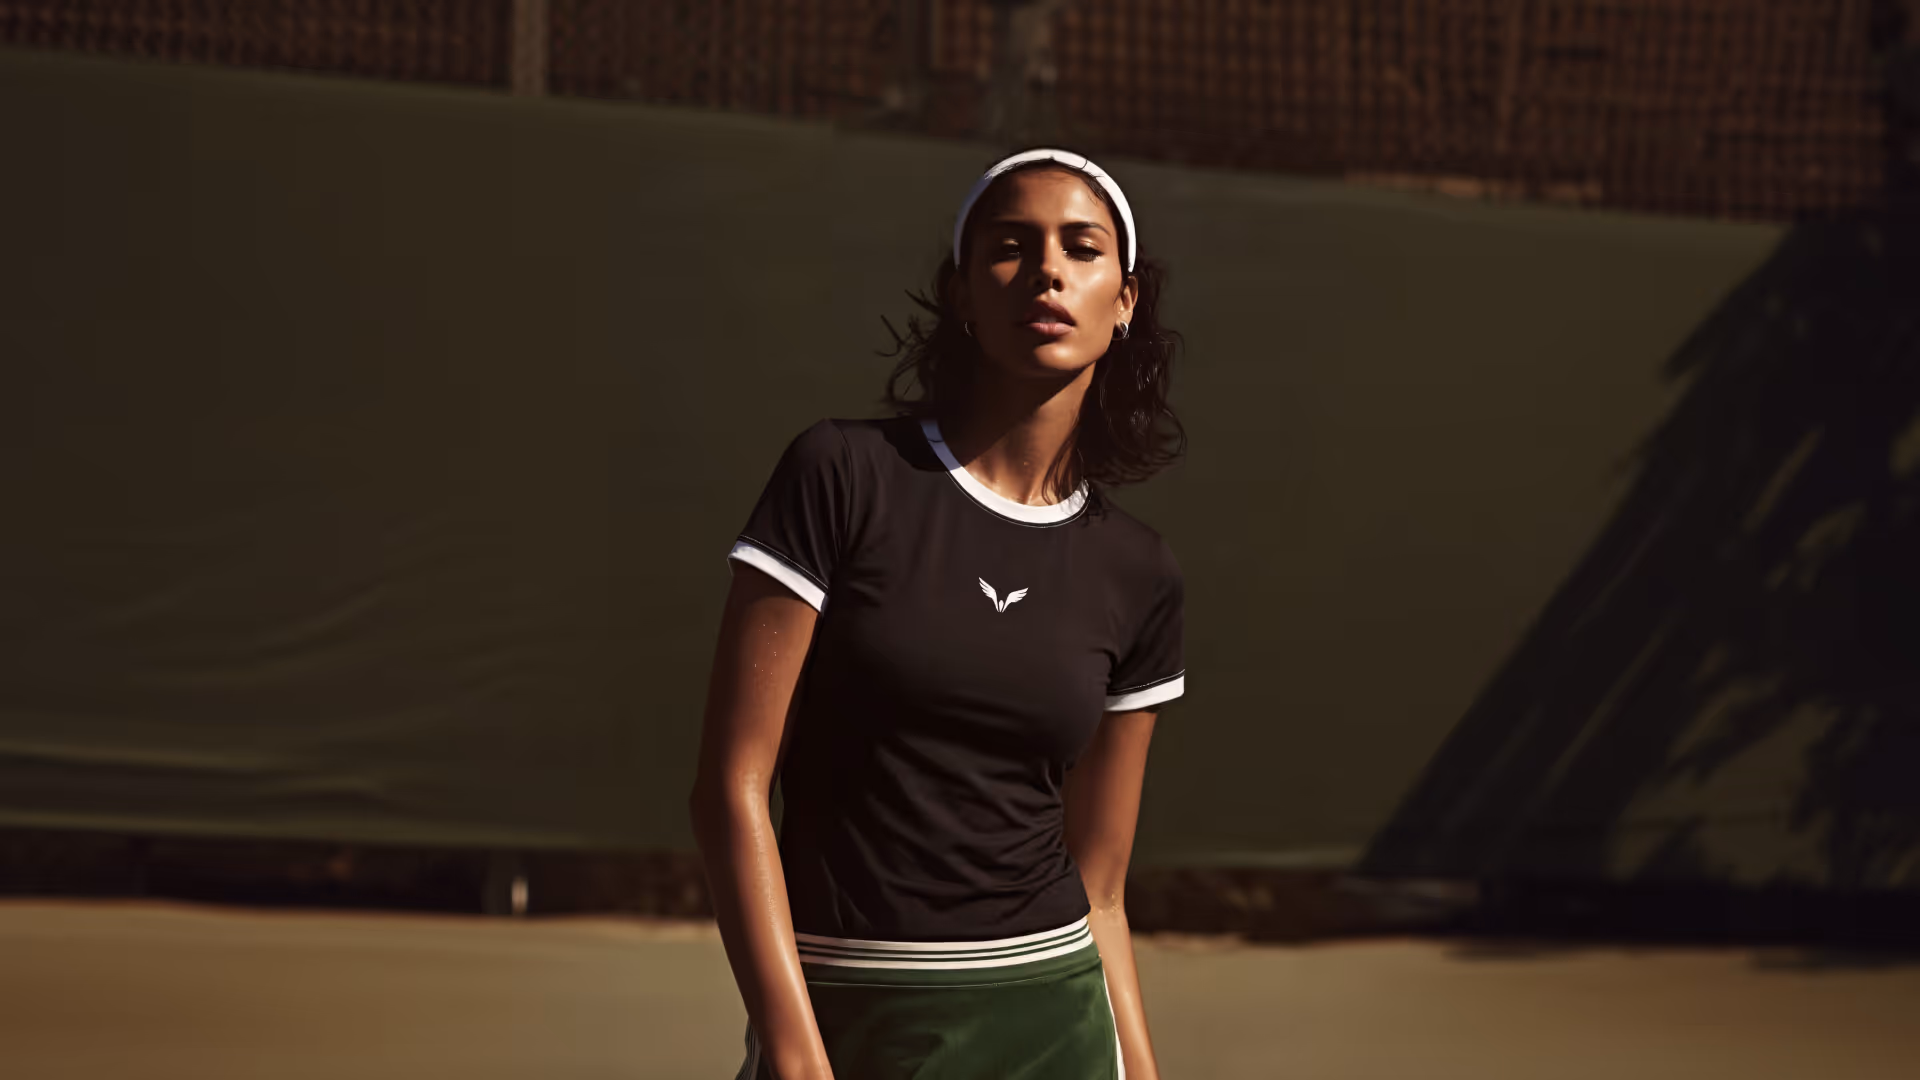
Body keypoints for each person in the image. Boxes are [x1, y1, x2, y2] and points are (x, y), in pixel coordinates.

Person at [690, 147, 1187, 1080]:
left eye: (1082, 249)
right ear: (961, 292)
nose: (1047, 269)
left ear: (1123, 303)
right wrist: (795, 1053)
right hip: (853, 1013)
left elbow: (1104, 888)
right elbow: (732, 787)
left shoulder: (1139, 570)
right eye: (1011, 246)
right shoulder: (840, 476)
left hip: (1057, 1017)